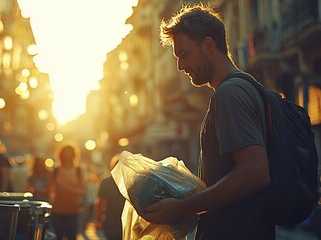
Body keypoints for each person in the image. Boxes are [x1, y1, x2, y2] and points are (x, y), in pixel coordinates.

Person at [138, 4, 273, 239]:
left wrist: (183, 206)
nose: (180, 66)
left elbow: (254, 171)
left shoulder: (229, 94)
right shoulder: (245, 86)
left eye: (184, 54)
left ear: (208, 45)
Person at [47, 141, 87, 240]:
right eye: (65, 153)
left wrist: (66, 188)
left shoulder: (78, 171)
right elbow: (48, 190)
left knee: (72, 236)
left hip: (73, 210)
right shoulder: (56, 170)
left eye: (69, 153)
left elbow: (84, 192)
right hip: (57, 210)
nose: (67, 155)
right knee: (58, 236)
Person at [95, 154, 125, 240]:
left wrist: (98, 220)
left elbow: (99, 203)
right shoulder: (130, 183)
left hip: (110, 223)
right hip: (123, 222)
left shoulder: (106, 182)